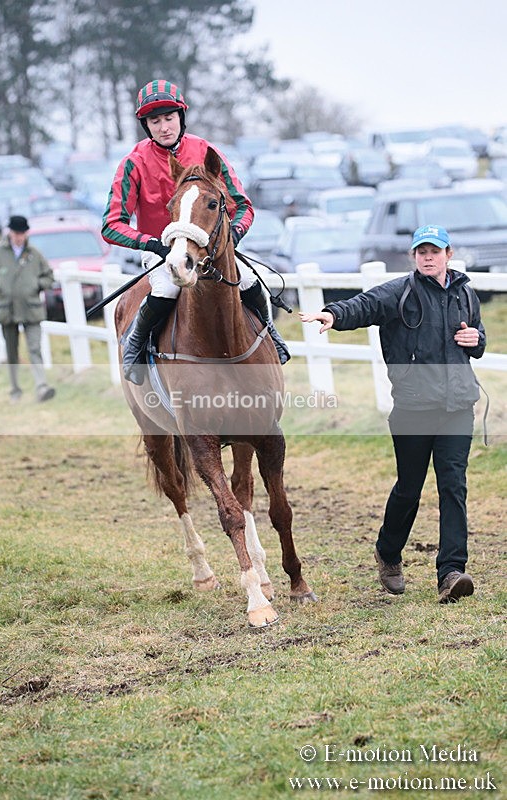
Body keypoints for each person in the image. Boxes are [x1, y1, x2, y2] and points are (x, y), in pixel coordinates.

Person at [299, 224, 486, 604]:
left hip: (458, 407)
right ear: (414, 257)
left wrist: (477, 340)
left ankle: (451, 572)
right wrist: (333, 315)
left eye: (435, 251)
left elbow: (477, 337)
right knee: (409, 489)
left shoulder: (465, 293)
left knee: (454, 486)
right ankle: (387, 553)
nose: (428, 257)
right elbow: (363, 306)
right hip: (414, 409)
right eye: (421, 252)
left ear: (448, 255)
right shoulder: (399, 292)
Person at [102, 78, 290, 384]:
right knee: (165, 288)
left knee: (250, 279)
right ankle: (134, 346)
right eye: (155, 121)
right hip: (163, 253)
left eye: (169, 118)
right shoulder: (133, 163)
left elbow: (242, 206)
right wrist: (153, 245)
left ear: (181, 117)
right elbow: (111, 225)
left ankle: (270, 332)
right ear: (146, 125)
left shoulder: (206, 152)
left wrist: (232, 237)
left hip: (212, 249)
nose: (164, 127)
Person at [0, 215, 56, 403]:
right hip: (8, 309)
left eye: (22, 233)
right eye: (16, 233)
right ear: (10, 232)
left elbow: (49, 276)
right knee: (12, 351)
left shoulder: (34, 253)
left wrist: (35, 285)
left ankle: (41, 387)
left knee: (34, 348)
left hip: (31, 308)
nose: (19, 237)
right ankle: (15, 390)